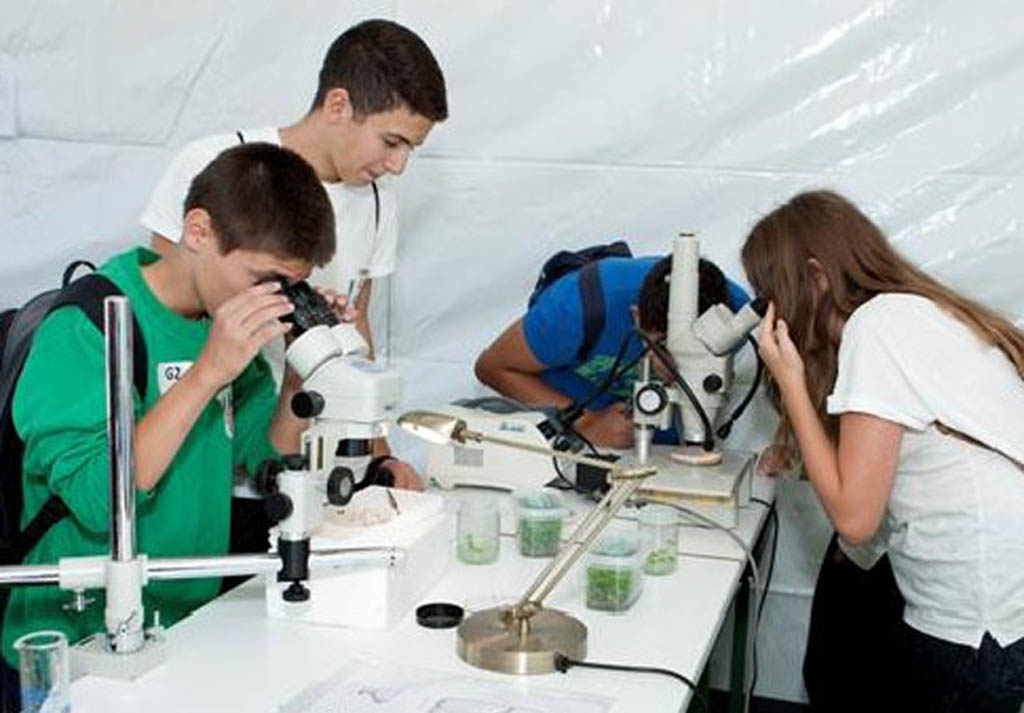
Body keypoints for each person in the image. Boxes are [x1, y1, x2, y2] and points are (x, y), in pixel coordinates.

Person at [0, 143, 338, 709]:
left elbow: (263, 462)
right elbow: (99, 496)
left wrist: (299, 369)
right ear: (199, 231)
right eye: (262, 278)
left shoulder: (217, 325)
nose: (270, 299)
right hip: (73, 651)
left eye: (288, 287)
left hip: (190, 631)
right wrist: (207, 372)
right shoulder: (85, 326)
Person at [744, 189, 1024, 711]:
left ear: (816, 275)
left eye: (772, 291)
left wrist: (792, 382)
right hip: (1001, 610)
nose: (771, 310)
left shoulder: (875, 328)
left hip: (973, 617)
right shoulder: (915, 313)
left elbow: (855, 519)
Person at [140, 18, 449, 486]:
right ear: (338, 104)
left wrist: (380, 457)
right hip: (200, 457)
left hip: (299, 454)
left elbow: (357, 335)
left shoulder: (379, 202)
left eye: (412, 149)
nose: (398, 166)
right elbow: (164, 317)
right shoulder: (217, 164)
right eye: (391, 142)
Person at [474, 254, 749, 448]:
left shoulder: (737, 318)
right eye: (662, 348)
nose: (676, 368)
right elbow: (491, 367)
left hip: (656, 447)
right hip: (568, 436)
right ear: (636, 318)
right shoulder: (576, 307)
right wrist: (586, 424)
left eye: (696, 355)